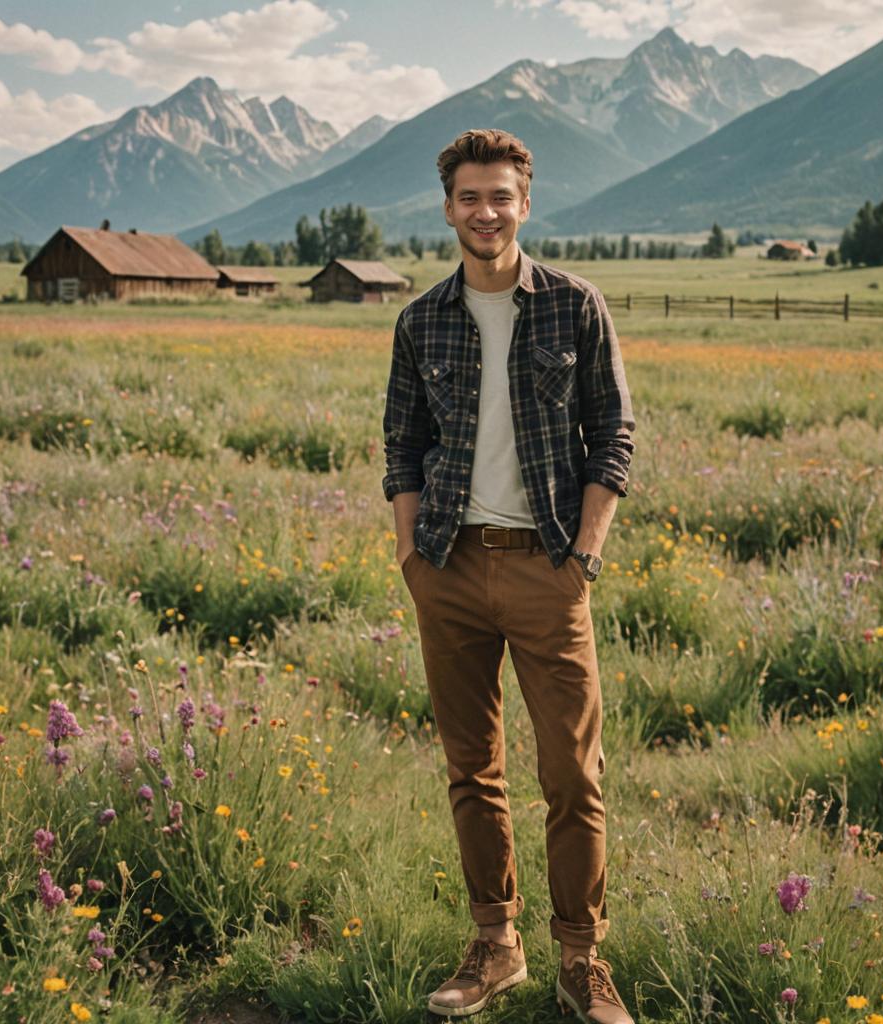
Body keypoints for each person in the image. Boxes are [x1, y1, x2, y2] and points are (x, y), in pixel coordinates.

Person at [381, 128, 635, 1023]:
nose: (484, 212)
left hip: (547, 568)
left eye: (500, 197)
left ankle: (580, 958)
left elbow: (615, 437)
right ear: (448, 207)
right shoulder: (421, 320)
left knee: (572, 771)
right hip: (449, 566)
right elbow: (403, 448)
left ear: (525, 203)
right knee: (472, 768)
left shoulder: (574, 305)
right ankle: (497, 945)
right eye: (468, 198)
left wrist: (583, 560)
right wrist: (413, 561)